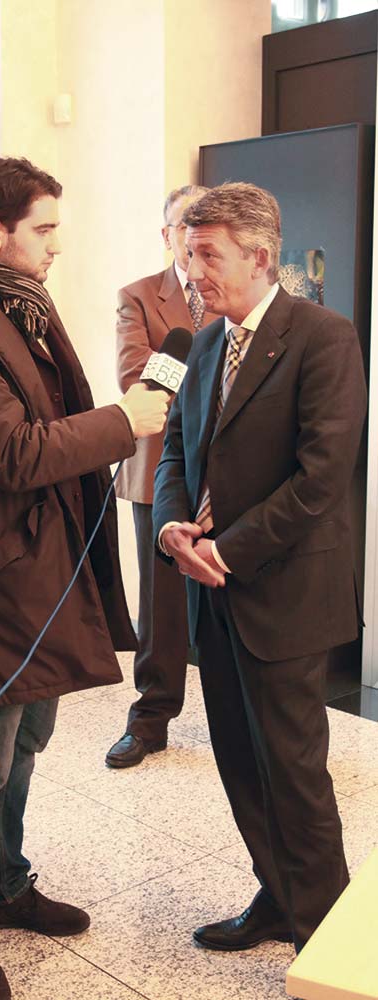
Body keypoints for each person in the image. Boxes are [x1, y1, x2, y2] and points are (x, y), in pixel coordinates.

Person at [0, 156, 169, 1000]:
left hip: (44, 564)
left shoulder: (19, 302)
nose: (57, 245)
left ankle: (6, 882)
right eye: (45, 229)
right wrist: (121, 421)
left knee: (26, 743)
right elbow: (8, 453)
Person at [153, 182, 366, 956]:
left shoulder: (322, 337)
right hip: (213, 594)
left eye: (207, 255)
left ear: (259, 256)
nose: (192, 271)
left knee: (292, 771)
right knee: (240, 763)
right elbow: (175, 450)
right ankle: (277, 898)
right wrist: (171, 525)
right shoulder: (202, 344)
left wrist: (227, 549)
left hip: (285, 592)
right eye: (187, 254)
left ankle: (327, 935)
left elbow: (321, 475)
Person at [106, 184, 219, 769]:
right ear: (167, 233)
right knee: (162, 603)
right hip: (160, 470)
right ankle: (150, 720)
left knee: (229, 593)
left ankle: (237, 717)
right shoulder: (139, 296)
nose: (194, 238)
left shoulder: (232, 289)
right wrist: (214, 387)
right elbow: (137, 376)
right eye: (184, 225)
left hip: (229, 471)